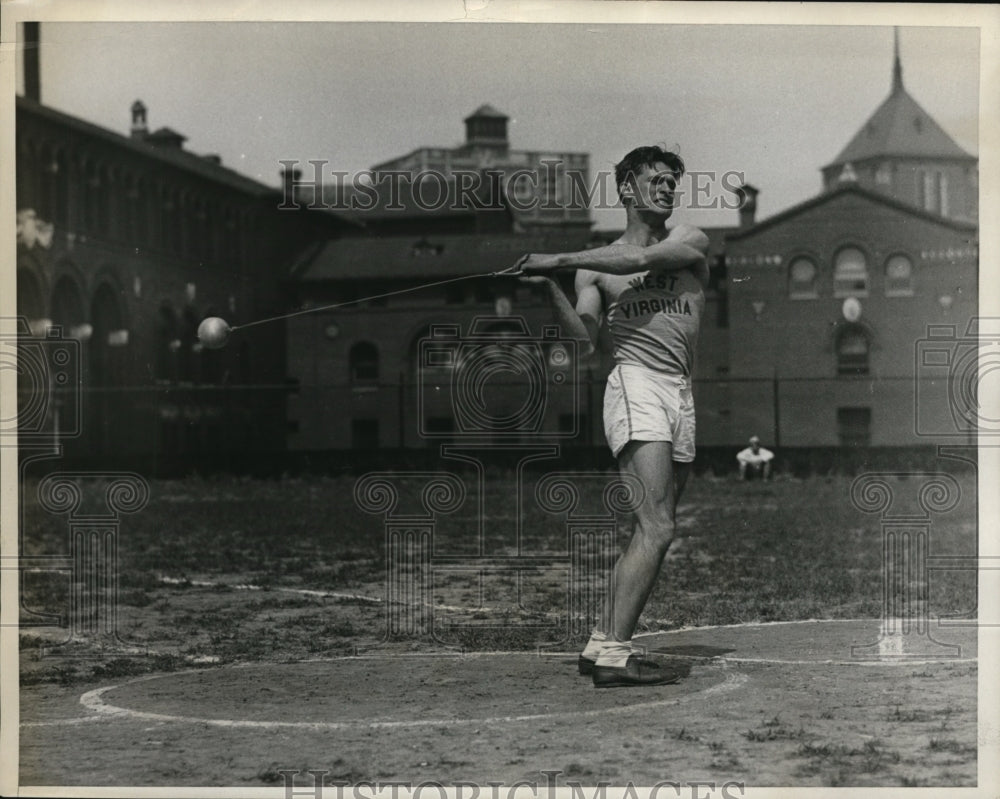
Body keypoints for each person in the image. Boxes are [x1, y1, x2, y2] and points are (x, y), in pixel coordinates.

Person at [508, 145, 710, 687]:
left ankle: (600, 641)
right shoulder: (593, 274)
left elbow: (640, 261)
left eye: (673, 180)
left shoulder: (688, 243)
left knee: (652, 528)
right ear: (626, 189)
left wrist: (557, 260)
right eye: (655, 180)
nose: (668, 188)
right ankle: (617, 656)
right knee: (658, 526)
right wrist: (551, 287)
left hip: (679, 392)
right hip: (634, 383)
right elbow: (583, 341)